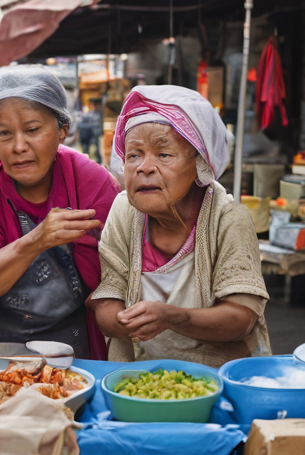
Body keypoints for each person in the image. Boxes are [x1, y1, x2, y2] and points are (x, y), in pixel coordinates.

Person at [0, 66, 120, 360]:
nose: (19, 146)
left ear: (62, 129)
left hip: (73, 351)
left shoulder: (91, 182)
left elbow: (119, 273)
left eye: (33, 129)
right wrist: (36, 239)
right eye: (4, 134)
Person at [90, 85, 271, 368]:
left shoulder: (228, 219)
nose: (143, 167)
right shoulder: (124, 209)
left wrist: (171, 317)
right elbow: (108, 295)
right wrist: (120, 322)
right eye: (134, 155)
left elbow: (241, 317)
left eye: (164, 155)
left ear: (200, 163)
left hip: (216, 379)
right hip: (135, 379)